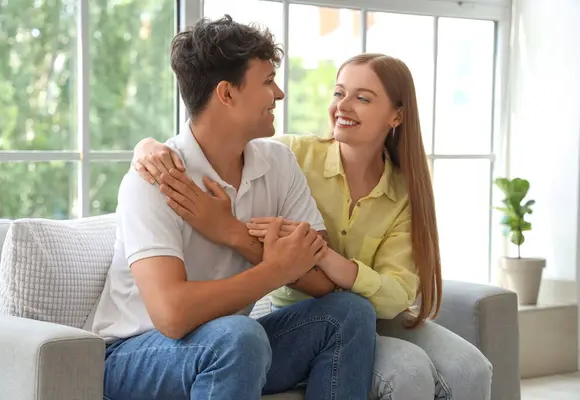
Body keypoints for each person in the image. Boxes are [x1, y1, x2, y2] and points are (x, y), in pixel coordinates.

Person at [134, 46, 494, 399]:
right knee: (406, 368)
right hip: (305, 311)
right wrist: (147, 147)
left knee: (471, 368)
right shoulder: (293, 156)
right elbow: (217, 136)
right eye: (339, 93)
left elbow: (396, 294)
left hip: (375, 312)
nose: (343, 106)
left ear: (396, 116)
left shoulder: (403, 190)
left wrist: (321, 255)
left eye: (363, 98)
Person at [90, 15, 377, 400]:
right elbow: (172, 317)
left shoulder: (278, 164)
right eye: (267, 81)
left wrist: (232, 233)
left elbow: (322, 278)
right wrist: (274, 268)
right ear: (226, 94)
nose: (279, 94)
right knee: (238, 336)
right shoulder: (159, 178)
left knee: (349, 313)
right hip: (135, 354)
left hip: (232, 346)